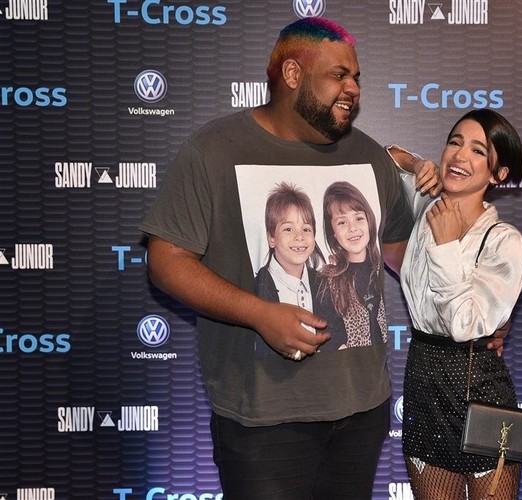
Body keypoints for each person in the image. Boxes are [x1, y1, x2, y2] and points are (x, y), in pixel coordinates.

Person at [139, 17, 416, 499]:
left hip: (361, 410)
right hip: (262, 419)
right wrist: (259, 313)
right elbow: (166, 259)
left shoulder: (370, 156)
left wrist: (464, 310)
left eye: (356, 77)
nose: (352, 88)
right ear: (292, 74)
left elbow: (397, 250)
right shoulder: (214, 150)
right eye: (338, 75)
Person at [397, 109, 522, 499]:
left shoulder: (504, 240)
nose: (460, 155)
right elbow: (386, 156)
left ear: (497, 174)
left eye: (477, 150)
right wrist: (418, 165)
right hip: (423, 383)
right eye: (455, 142)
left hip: (479, 387)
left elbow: (465, 325)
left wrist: (447, 246)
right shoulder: (425, 208)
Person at [253, 181, 333, 356]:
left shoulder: (323, 283)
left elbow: (337, 333)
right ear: (271, 238)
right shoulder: (257, 288)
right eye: (288, 229)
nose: (299, 237)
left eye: (306, 229)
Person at [318, 181, 386, 349]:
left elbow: (400, 326)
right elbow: (330, 337)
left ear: (369, 221)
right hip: (353, 364)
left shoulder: (387, 270)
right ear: (333, 233)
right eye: (342, 222)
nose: (352, 228)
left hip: (391, 362)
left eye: (359, 218)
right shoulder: (327, 281)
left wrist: (397, 353)